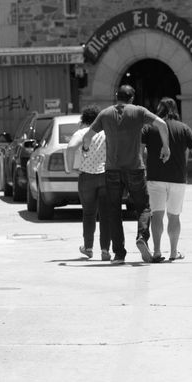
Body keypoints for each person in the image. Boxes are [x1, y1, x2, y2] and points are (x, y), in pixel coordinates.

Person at [81, 85, 170, 265]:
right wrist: (166, 147)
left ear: (116, 96)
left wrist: (85, 149)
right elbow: (162, 124)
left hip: (112, 169)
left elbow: (87, 136)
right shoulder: (138, 111)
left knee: (113, 210)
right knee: (143, 207)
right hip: (135, 168)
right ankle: (142, 238)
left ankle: (119, 254)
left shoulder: (105, 114)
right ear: (132, 98)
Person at [141, 97, 192, 262]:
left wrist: (141, 168)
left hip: (155, 178)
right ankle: (174, 252)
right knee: (174, 216)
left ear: (158, 110)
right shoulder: (184, 129)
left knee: (157, 215)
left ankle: (157, 251)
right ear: (175, 110)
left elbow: (140, 151)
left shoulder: (149, 128)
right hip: (177, 179)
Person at [65, 105, 111, 261]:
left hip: (86, 177)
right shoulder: (106, 132)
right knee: (105, 215)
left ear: (84, 119)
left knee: (89, 213)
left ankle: (88, 248)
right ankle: (105, 250)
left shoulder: (82, 132)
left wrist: (70, 168)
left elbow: (71, 148)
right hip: (106, 175)